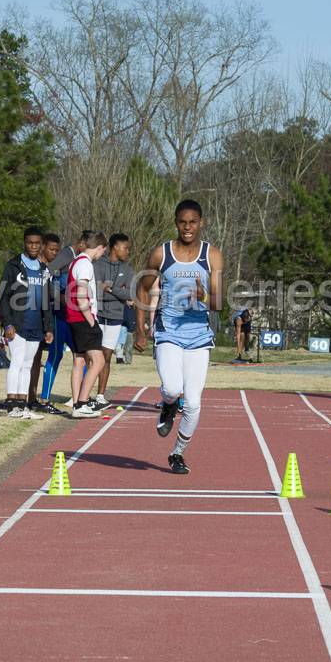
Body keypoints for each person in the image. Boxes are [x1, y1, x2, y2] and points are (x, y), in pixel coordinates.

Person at [135, 200, 223, 475]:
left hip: (198, 335)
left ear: (201, 223)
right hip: (168, 331)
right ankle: (168, 407)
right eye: (183, 222)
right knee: (172, 389)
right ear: (176, 222)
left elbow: (219, 302)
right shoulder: (162, 254)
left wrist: (204, 296)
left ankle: (177, 453)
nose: (188, 227)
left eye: (193, 222)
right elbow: (143, 288)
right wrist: (140, 329)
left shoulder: (212, 256)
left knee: (195, 403)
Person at [0, 227, 53, 420]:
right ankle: (12, 406)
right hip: (17, 324)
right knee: (17, 362)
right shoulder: (13, 265)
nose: (33, 247)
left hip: (36, 325)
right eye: (30, 243)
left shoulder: (44, 270)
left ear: (42, 245)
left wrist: (49, 327)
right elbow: (3, 297)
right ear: (24, 243)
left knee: (28, 365)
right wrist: (7, 324)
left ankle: (23, 404)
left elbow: (47, 301)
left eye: (37, 243)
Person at [40, 231, 93, 407]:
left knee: (82, 354)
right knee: (56, 355)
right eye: (89, 246)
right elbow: (46, 274)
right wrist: (61, 299)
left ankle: (78, 398)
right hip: (59, 314)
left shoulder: (80, 259)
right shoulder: (67, 255)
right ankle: (45, 398)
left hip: (72, 315)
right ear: (82, 242)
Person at [64, 233, 109, 417]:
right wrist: (91, 321)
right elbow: (81, 294)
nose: (101, 256)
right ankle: (82, 403)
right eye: (102, 252)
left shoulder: (75, 262)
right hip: (83, 319)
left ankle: (77, 404)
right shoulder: (85, 264)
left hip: (74, 318)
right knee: (99, 361)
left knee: (80, 361)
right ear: (99, 247)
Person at [26, 234, 66, 414]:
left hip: (45, 317)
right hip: (32, 317)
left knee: (36, 360)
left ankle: (32, 398)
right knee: (30, 359)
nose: (55, 253)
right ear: (42, 247)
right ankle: (27, 398)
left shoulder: (47, 269)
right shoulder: (35, 267)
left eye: (57, 250)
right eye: (51, 249)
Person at [94, 233, 133, 408]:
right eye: (126, 248)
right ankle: (82, 394)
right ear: (115, 247)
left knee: (107, 356)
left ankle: (100, 396)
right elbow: (95, 290)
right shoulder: (98, 264)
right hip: (97, 314)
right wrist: (116, 292)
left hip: (116, 317)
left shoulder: (129, 269)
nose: (128, 251)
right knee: (92, 356)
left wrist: (110, 289)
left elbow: (130, 294)